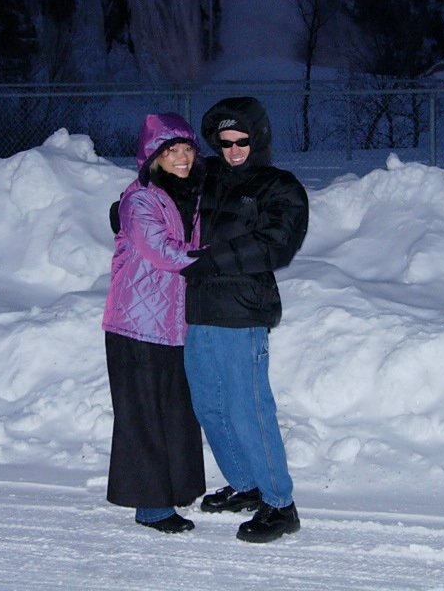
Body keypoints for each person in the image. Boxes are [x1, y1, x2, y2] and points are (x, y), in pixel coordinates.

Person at [180, 96, 309, 543]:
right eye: (225, 142)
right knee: (209, 406)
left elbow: (277, 243)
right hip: (198, 310)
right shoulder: (206, 176)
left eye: (243, 142)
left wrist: (213, 260)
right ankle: (247, 484)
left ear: (259, 139)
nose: (233, 150)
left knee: (248, 409)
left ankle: (280, 503)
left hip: (242, 311)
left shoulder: (280, 186)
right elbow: (164, 191)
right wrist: (130, 207)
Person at [102, 112, 206, 533]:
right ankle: (151, 507)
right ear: (153, 156)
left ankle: (176, 491)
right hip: (136, 324)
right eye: (170, 150)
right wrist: (220, 259)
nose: (181, 157)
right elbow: (166, 253)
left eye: (186, 149)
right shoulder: (139, 199)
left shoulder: (188, 193)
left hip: (175, 324)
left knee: (177, 410)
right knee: (143, 413)